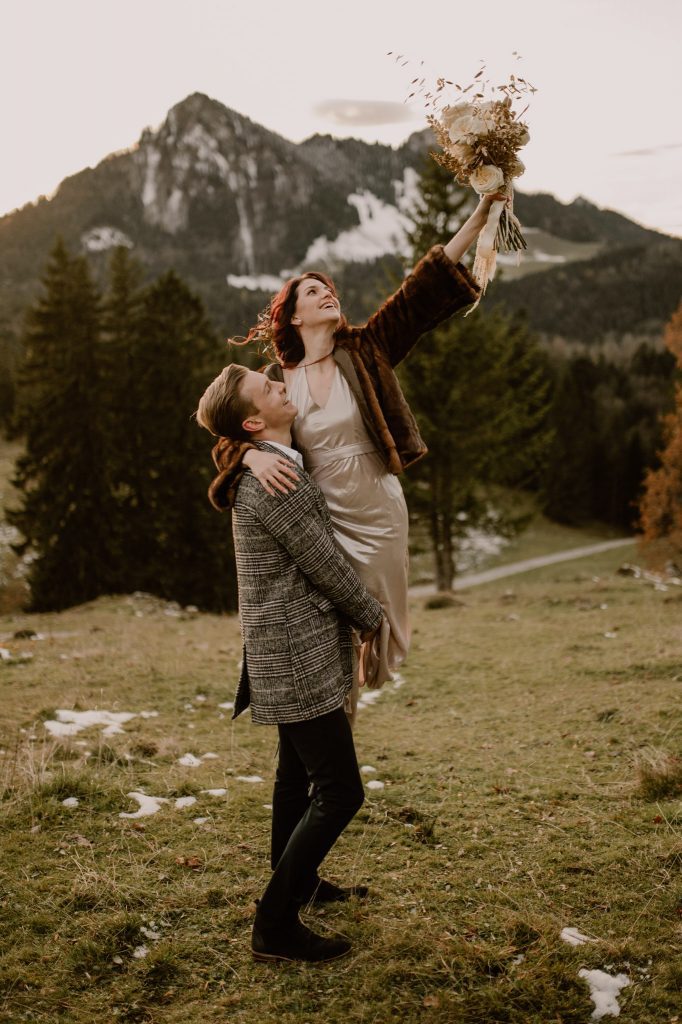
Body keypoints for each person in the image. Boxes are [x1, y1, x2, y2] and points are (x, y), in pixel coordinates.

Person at [208, 195, 502, 701]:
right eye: (312, 292)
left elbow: (421, 291)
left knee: (377, 633)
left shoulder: (367, 350)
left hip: (377, 506)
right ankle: (337, 744)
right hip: (322, 517)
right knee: (330, 632)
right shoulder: (278, 381)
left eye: (328, 289)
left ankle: (340, 741)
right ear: (294, 317)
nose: (326, 294)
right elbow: (231, 437)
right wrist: (252, 456)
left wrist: (478, 216)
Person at [196, 362, 384, 964]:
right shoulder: (277, 481)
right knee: (340, 791)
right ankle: (273, 924)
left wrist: (248, 455)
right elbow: (325, 564)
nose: (281, 384)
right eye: (269, 387)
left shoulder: (270, 465)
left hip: (284, 650)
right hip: (295, 655)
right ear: (254, 419)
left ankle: (298, 884)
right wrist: (374, 619)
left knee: (293, 778)